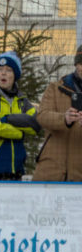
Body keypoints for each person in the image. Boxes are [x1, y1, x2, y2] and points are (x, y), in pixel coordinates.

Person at [0, 51, 40, 180]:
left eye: (9, 70)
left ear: (15, 76)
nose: (3, 73)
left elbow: (35, 124)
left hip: (15, 171)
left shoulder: (22, 100)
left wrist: (7, 119)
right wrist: (18, 133)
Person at [33, 46, 82, 181]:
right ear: (76, 65)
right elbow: (42, 116)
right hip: (51, 171)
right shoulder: (55, 88)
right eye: (81, 63)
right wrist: (64, 119)